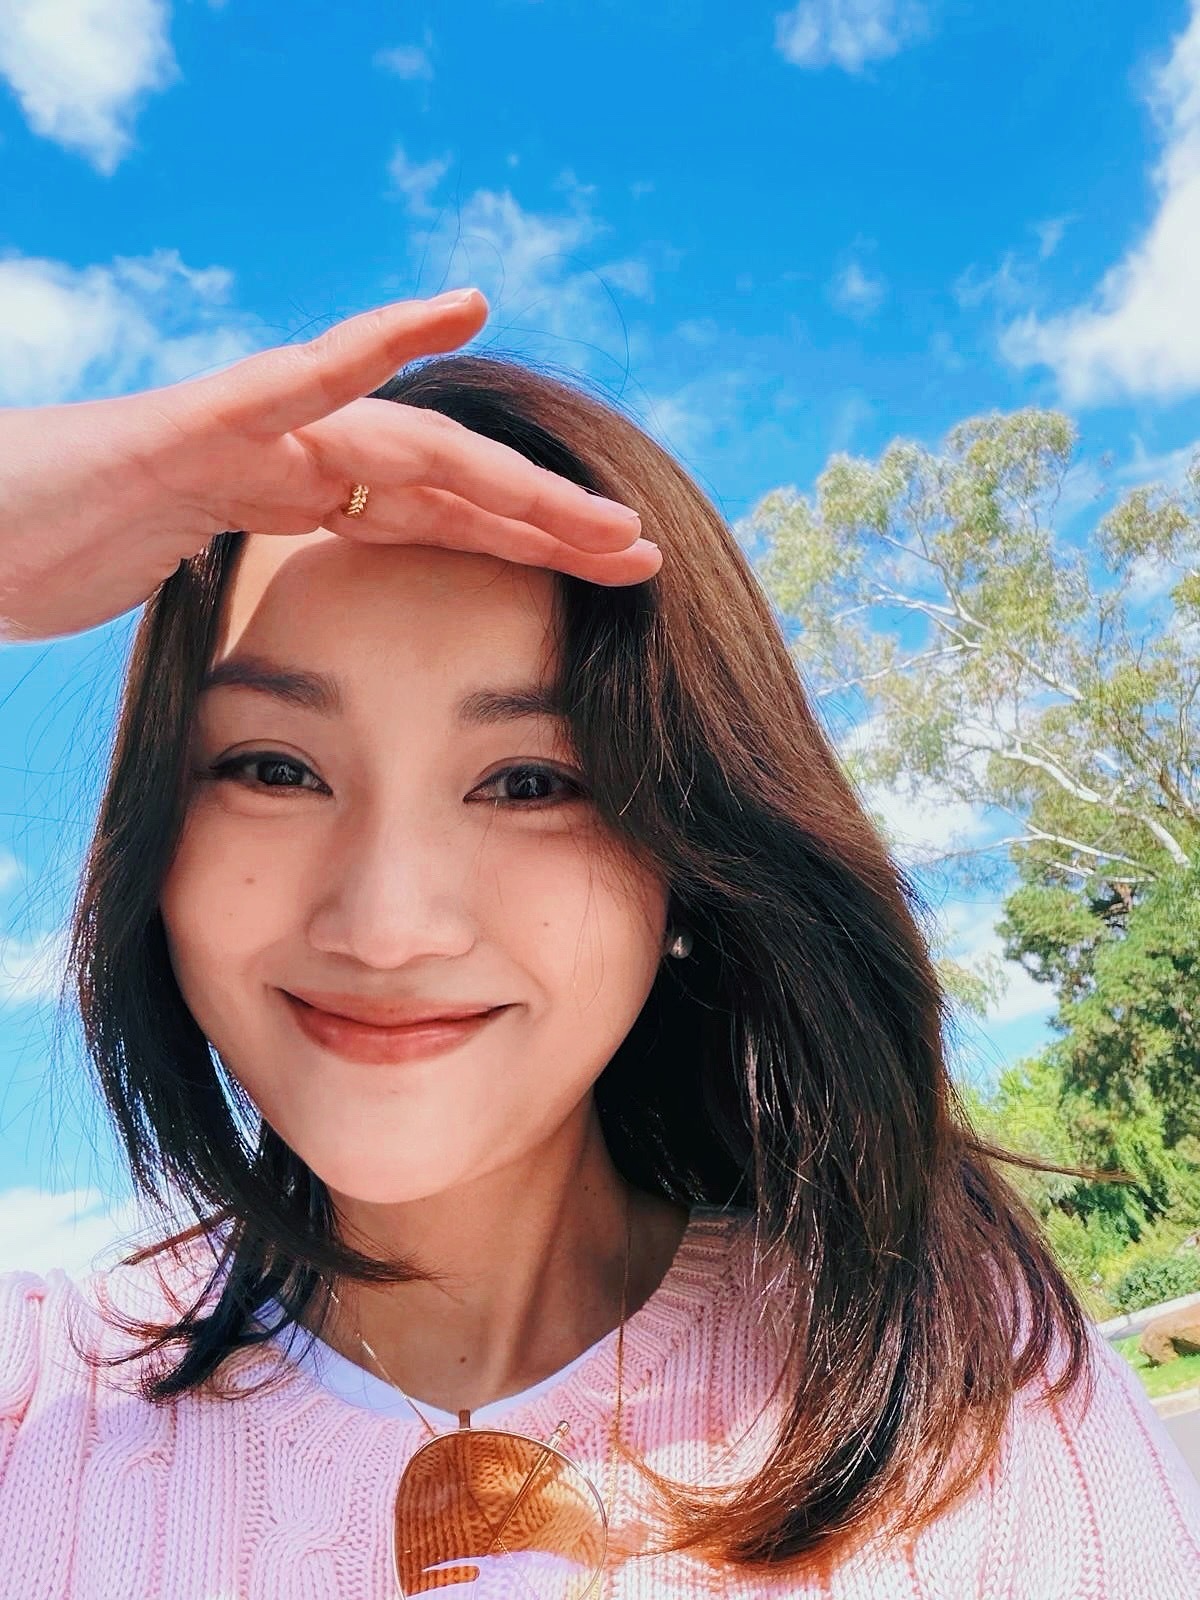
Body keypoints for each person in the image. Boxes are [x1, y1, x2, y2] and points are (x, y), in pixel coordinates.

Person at [0, 286, 1196, 1600]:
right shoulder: (34, 1411)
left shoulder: (967, 1389)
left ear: (687, 860)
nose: (387, 926)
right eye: (275, 768)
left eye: (531, 783)